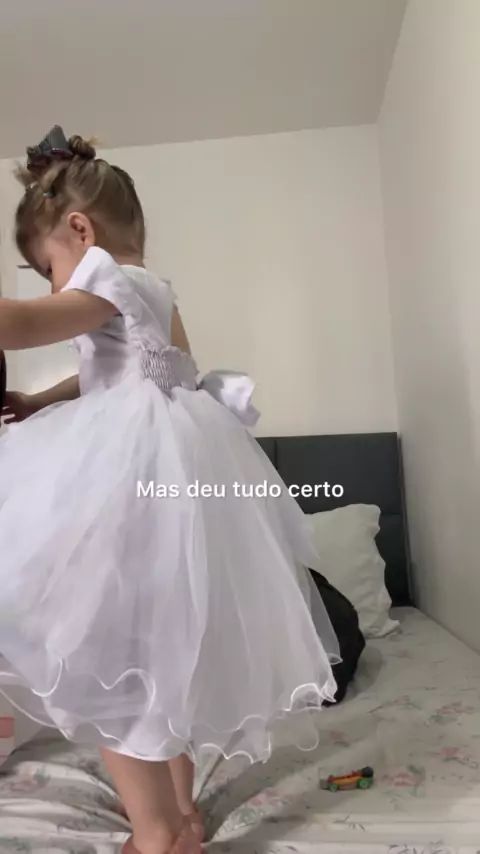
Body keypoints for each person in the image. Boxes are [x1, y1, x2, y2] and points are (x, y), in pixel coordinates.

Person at [0, 126, 339, 854]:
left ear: (81, 232)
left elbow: (21, 325)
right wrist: (38, 402)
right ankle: (183, 816)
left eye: (48, 268)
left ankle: (155, 833)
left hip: (130, 475)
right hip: (172, 469)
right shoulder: (153, 291)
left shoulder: (105, 280)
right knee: (160, 658)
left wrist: (23, 317)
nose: (54, 287)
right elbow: (119, 371)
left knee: (112, 661)